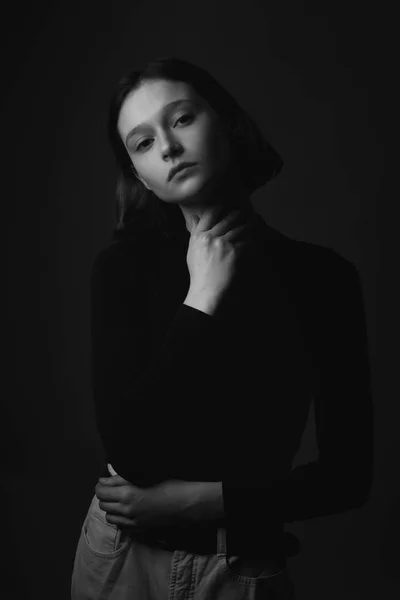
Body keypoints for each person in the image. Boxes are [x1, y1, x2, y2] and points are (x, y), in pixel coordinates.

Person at [71, 56, 374, 599]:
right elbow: (131, 451)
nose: (166, 146)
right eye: (142, 143)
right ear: (140, 175)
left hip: (238, 567)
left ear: (228, 123)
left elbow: (348, 477)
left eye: (181, 119)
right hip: (120, 559)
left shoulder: (322, 279)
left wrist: (204, 499)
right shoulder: (120, 271)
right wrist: (202, 298)